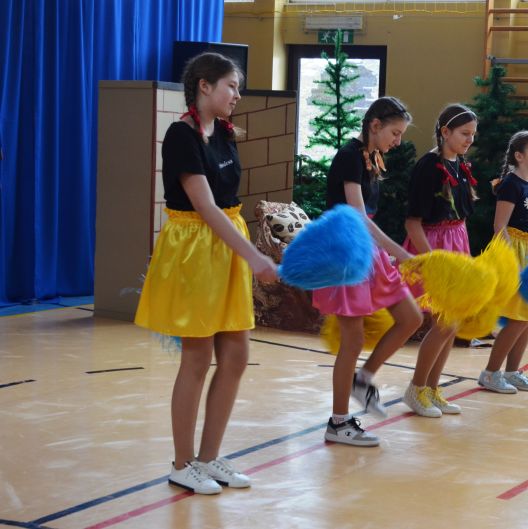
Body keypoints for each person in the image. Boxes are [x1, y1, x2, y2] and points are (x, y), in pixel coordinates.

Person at [134, 52, 278, 494]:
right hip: (196, 248)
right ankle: (182, 463)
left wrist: (244, 253)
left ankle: (209, 457)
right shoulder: (181, 135)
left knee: (235, 356)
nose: (237, 95)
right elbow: (205, 206)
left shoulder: (226, 133)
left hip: (226, 246)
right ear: (204, 85)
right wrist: (255, 257)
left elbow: (227, 204)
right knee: (197, 358)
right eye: (231, 86)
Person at [313, 97, 423, 446]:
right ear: (374, 125)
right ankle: (339, 422)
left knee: (411, 317)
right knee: (353, 339)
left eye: (401, 134)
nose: (398, 141)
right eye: (395, 133)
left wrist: (385, 252)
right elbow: (358, 216)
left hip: (366, 248)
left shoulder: (370, 156)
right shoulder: (350, 156)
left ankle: (364, 379)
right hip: (346, 249)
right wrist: (400, 253)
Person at [402, 104, 478, 417]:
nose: (470, 140)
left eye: (473, 135)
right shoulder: (428, 167)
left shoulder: (460, 164)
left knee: (451, 323)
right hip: (433, 246)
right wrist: (432, 260)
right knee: (446, 322)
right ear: (445, 132)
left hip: (456, 243)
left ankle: (432, 389)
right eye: (464, 134)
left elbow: (460, 215)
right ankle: (416, 388)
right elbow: (412, 223)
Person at [477, 131, 528, 394]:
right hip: (513, 251)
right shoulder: (510, 185)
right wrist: (513, 263)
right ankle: (490, 373)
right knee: (517, 318)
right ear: (519, 156)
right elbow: (500, 226)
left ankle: (512, 372)